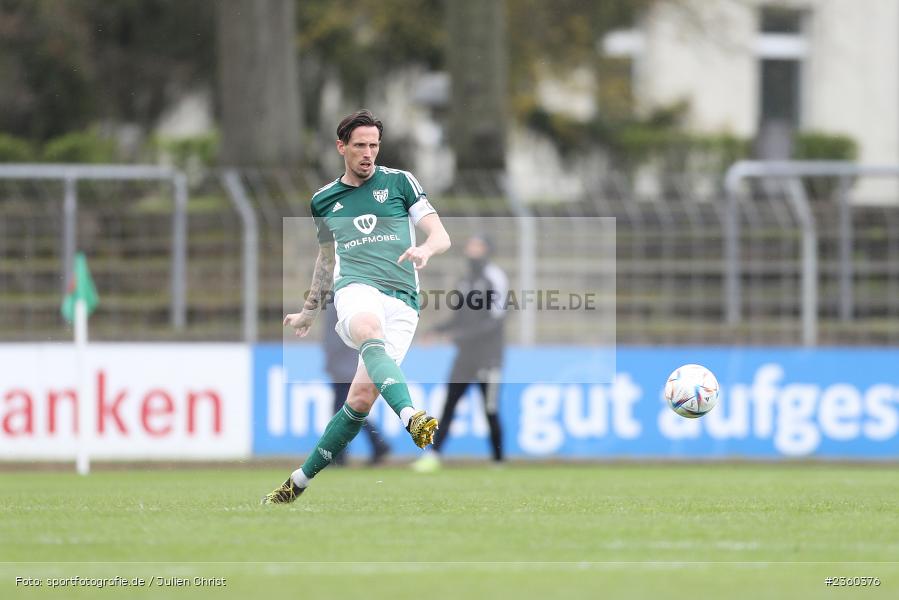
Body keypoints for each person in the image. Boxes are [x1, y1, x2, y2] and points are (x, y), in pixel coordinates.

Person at [263, 109, 451, 504]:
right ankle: (412, 417)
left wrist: (426, 249)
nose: (368, 153)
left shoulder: (400, 182)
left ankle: (297, 481)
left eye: (374, 145)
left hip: (403, 300)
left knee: (360, 400)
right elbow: (327, 259)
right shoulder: (324, 200)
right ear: (342, 147)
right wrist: (310, 310)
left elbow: (440, 235)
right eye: (360, 145)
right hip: (355, 288)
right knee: (367, 328)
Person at [413, 234, 507, 472]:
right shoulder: (465, 280)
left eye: (477, 246)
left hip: (488, 357)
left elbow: (495, 321)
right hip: (465, 356)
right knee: (449, 405)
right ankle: (434, 455)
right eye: (470, 245)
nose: (471, 250)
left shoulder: (494, 278)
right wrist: (436, 330)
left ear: (487, 249)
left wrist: (459, 336)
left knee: (490, 408)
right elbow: (458, 318)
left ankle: (498, 460)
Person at [322, 304, 391, 466]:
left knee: (344, 410)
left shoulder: (337, 302)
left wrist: (330, 359)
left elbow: (334, 339)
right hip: (349, 363)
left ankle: (341, 455)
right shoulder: (350, 301)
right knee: (350, 408)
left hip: (343, 366)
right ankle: (376, 445)